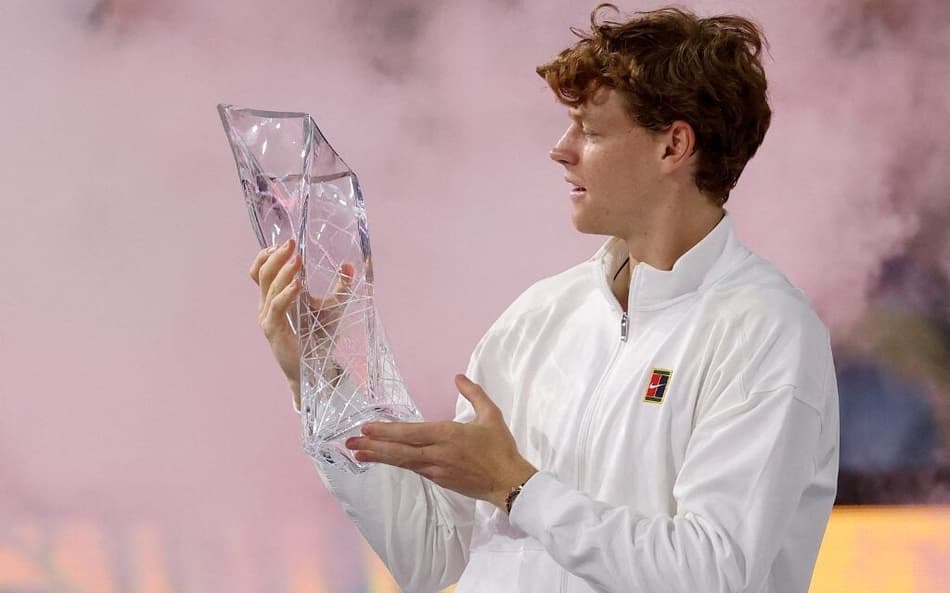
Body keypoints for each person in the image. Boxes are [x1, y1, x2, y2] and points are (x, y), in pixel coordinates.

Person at [249, 5, 839, 593]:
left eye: (591, 129)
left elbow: (713, 573)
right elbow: (431, 554)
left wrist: (517, 488)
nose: (561, 149)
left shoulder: (766, 330)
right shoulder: (539, 315)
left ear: (673, 146)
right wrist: (318, 376)